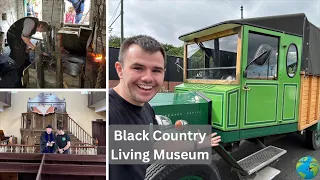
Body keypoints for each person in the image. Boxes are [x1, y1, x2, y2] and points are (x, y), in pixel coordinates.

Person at [109, 35, 221, 180]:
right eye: (138, 68)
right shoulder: (109, 112)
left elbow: (156, 147)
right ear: (119, 69)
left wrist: (197, 143)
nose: (148, 78)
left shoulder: (147, 109)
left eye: (156, 70)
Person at [6, 17, 50, 87]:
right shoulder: (31, 23)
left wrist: (27, 47)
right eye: (41, 31)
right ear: (41, 26)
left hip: (20, 36)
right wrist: (33, 47)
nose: (39, 32)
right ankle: (18, 79)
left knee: (25, 52)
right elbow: (24, 37)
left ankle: (25, 67)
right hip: (13, 36)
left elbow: (27, 36)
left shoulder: (34, 25)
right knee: (18, 55)